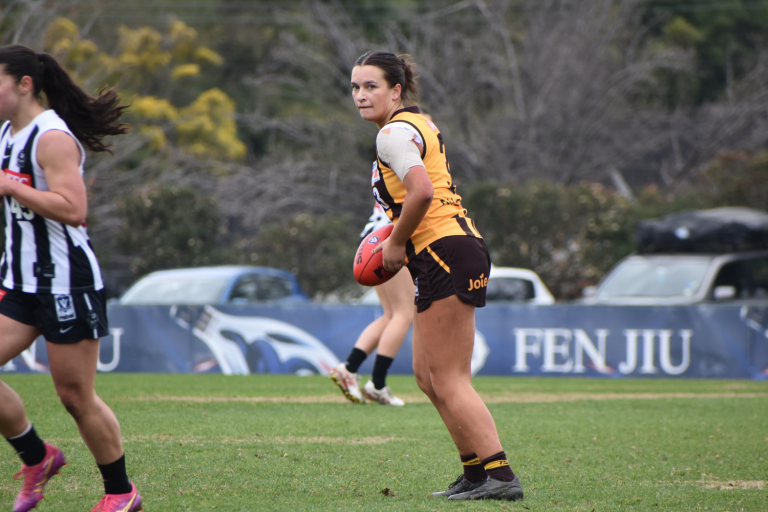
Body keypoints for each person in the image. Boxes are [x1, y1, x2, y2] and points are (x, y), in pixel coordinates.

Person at [349, 50, 524, 501]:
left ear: (396, 90)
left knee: (449, 378)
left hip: (445, 248)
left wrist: (393, 243)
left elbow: (422, 192)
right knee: (427, 375)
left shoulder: (392, 132)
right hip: (445, 250)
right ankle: (474, 472)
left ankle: (500, 477)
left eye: (371, 86)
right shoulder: (417, 123)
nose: (361, 95)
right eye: (355, 87)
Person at [0, 45, 142, 511]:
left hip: (67, 283)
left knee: (75, 397)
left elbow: (74, 209)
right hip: (20, 281)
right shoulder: (5, 134)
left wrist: (8, 184)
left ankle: (121, 493)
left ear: (24, 85)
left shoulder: (52, 136)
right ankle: (37, 457)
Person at [329, 203, 414, 406]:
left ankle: (349, 368)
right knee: (404, 313)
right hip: (391, 235)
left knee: (391, 314)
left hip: (372, 236)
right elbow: (419, 195)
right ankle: (376, 384)